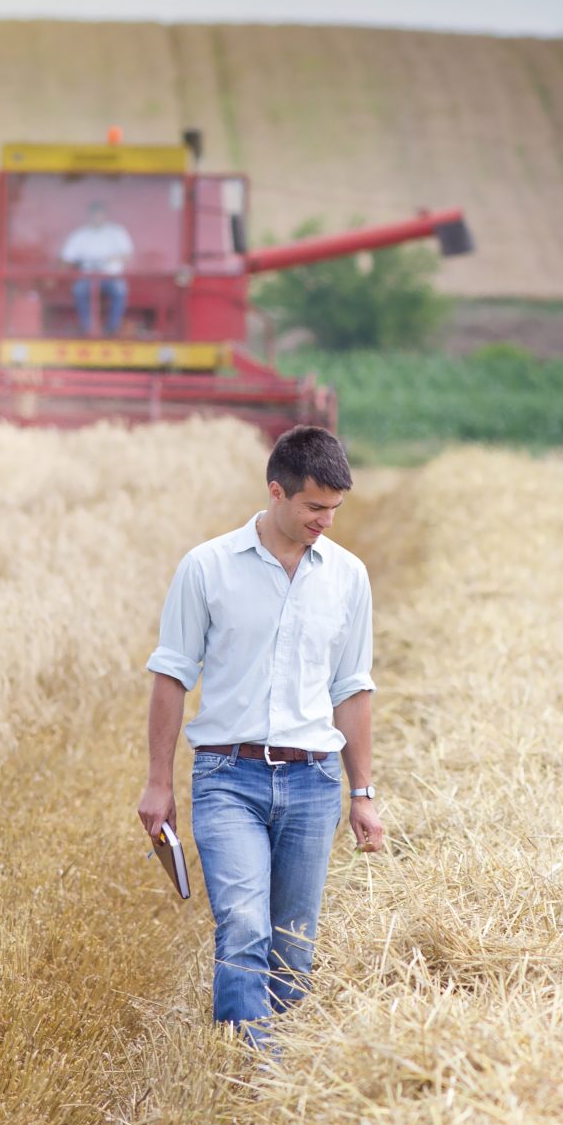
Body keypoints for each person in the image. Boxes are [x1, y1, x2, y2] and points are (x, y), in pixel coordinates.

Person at [139, 425, 381, 1047]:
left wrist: (363, 793)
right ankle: (247, 1065)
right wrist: (158, 783)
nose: (326, 520)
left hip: (314, 781)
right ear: (276, 492)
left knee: (293, 944)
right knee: (244, 924)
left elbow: (352, 688)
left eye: (334, 508)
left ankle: (284, 1072)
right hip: (227, 777)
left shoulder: (348, 578)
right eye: (314, 507)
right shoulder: (206, 568)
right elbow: (171, 675)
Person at [60, 197, 135, 336]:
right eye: (94, 214)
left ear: (105, 215)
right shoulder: (80, 234)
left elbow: (128, 255)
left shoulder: (117, 232)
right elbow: (67, 258)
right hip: (88, 276)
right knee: (78, 290)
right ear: (89, 215)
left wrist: (113, 259)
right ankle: (88, 327)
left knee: (120, 290)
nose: (97, 217)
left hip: (111, 275)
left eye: (100, 214)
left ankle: (112, 328)